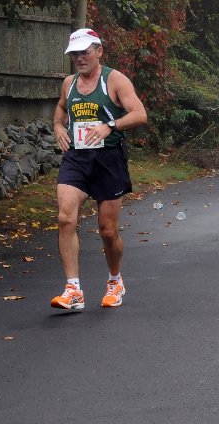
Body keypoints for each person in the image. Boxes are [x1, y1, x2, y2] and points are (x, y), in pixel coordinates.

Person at [50, 28, 148, 310]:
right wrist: (58, 128)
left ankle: (115, 281)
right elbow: (60, 110)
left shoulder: (114, 80)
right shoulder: (69, 83)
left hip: (108, 159)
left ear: (99, 51)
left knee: (107, 231)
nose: (79, 58)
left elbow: (140, 114)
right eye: (75, 54)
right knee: (65, 218)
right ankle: (73, 290)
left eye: (85, 52)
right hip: (76, 159)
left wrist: (110, 126)